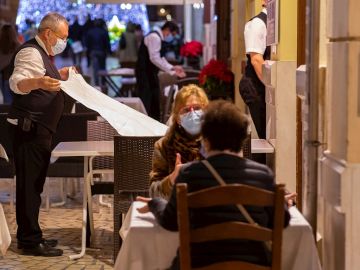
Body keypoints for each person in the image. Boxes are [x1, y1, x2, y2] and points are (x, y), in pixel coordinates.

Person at [138, 100, 291, 269]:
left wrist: (156, 203)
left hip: (199, 264)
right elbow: (282, 221)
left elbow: (170, 221)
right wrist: (281, 202)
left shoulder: (189, 175)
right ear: (242, 139)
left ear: (206, 140)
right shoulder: (263, 176)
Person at [7, 12, 72, 257]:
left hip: (39, 130)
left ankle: (32, 234)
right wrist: (38, 83)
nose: (64, 41)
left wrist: (60, 76)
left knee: (34, 185)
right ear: (48, 33)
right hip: (29, 129)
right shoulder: (30, 52)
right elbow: (18, 82)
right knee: (29, 187)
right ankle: (30, 241)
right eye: (62, 37)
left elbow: (44, 78)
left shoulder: (44, 54)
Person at [149, 84, 209, 200]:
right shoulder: (164, 146)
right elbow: (154, 193)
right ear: (177, 118)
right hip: (177, 210)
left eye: (197, 108)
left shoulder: (219, 141)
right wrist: (172, 178)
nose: (193, 113)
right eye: (186, 110)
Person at [136, 21, 186, 121]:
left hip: (150, 72)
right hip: (145, 73)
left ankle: (153, 122)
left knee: (154, 97)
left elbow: (160, 58)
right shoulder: (155, 37)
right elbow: (154, 58)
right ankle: (145, 123)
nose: (171, 37)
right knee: (147, 98)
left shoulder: (157, 37)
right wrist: (171, 71)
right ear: (167, 30)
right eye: (172, 34)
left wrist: (173, 68)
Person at [239, 0, 269, 140]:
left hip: (261, 85)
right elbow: (256, 59)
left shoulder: (271, 22)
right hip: (255, 86)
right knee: (263, 137)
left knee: (264, 136)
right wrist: (271, 88)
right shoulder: (257, 23)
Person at [84, 18, 111, 86]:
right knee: (103, 68)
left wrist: (89, 51)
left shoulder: (90, 31)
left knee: (95, 69)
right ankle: (103, 83)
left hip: (93, 52)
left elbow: (87, 43)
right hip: (102, 52)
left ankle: (97, 84)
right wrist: (109, 51)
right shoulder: (104, 32)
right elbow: (107, 43)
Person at [0, 24, 20, 104]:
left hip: (4, 77)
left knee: (6, 101)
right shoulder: (18, 46)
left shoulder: (1, 46)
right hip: (15, 77)